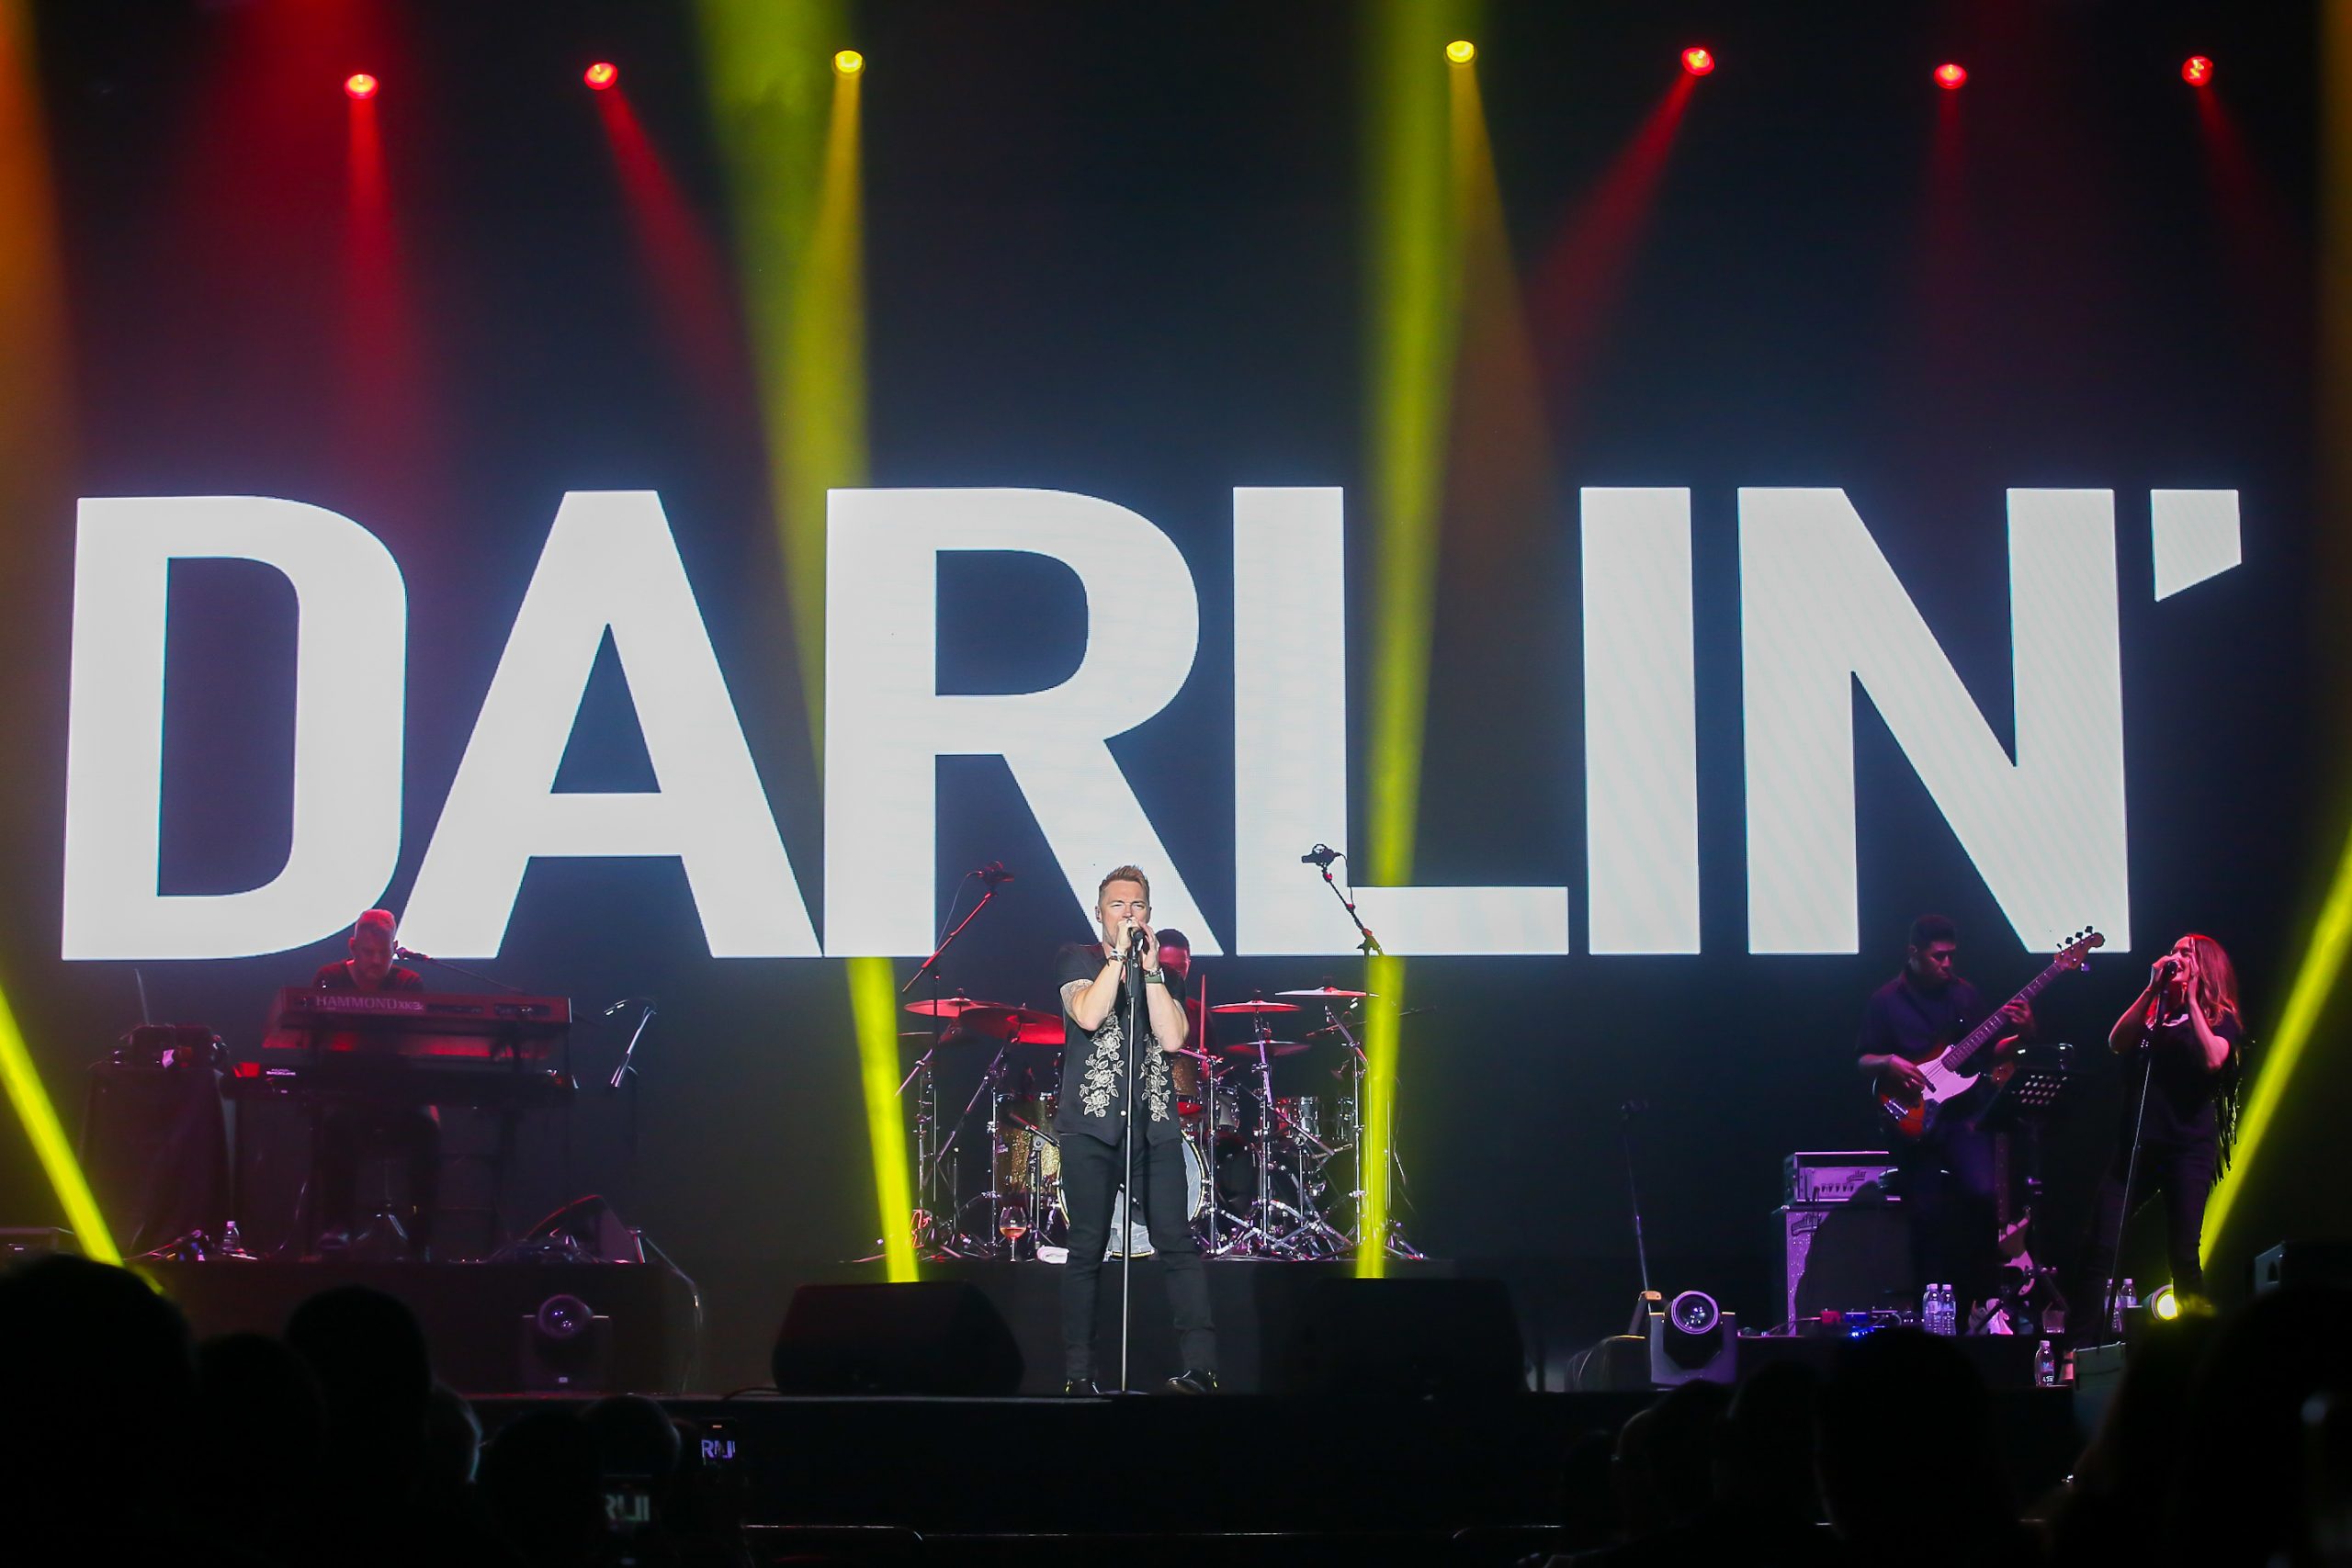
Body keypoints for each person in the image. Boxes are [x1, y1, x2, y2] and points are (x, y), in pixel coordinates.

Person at [1053, 865, 1219, 1393]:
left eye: (1138, 906)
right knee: (1087, 1248)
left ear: (1150, 914)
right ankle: (1080, 1375)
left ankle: (1201, 1369)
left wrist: (1149, 973)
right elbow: (1088, 1013)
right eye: (1118, 906)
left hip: (1154, 1126)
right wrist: (1118, 960)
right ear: (1100, 914)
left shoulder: (1162, 974)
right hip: (1090, 1127)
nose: (1129, 914)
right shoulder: (1077, 959)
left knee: (1177, 1243)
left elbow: (1172, 1039)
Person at [1855, 914, 2029, 1317]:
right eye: (1938, 956)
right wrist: (1889, 1062)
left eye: (1951, 955)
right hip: (1911, 1121)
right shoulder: (1885, 1001)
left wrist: (2023, 1033)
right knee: (1926, 1213)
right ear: (1913, 953)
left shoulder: (1964, 995)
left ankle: (1983, 1298)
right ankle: (1929, 1306)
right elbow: (1862, 1059)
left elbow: (1989, 1053)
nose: (1947, 964)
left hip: (1961, 1117)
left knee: (1984, 1193)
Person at [2075, 932, 2246, 1319]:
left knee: (2183, 1254)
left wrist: (2192, 1001)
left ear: (2206, 967)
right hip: (2137, 1144)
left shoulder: (2220, 1018)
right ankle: (2077, 1344)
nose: (2175, 957)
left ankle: (2196, 1339)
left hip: (2188, 1148)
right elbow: (2117, 1041)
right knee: (2099, 1245)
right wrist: (2152, 990)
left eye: (2187, 953)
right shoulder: (2156, 1014)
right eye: (2173, 951)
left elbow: (2213, 1060)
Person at [311, 908, 442, 1258]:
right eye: (368, 952)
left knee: (427, 1129)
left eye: (384, 953)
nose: (376, 961)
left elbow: (414, 1045)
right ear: (353, 947)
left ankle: (421, 1238)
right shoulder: (329, 978)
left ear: (395, 948)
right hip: (346, 1092)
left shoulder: (408, 983)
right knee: (337, 1124)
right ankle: (338, 1227)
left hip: (399, 1094)